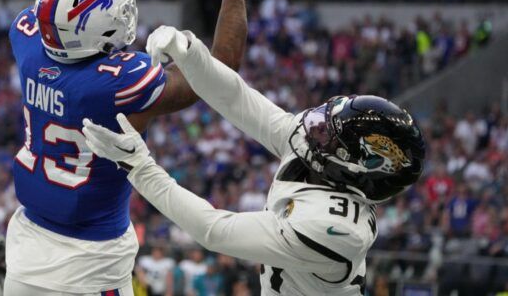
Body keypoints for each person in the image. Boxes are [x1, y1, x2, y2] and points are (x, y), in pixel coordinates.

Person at [4, 0, 252, 294]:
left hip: (26, 244)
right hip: (90, 259)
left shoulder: (29, 42)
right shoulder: (114, 84)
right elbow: (221, 70)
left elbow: (79, 1)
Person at [81, 26, 426, 295]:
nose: (315, 129)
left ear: (357, 168)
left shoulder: (337, 229)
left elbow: (213, 230)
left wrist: (140, 168)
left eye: (331, 138)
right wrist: (189, 53)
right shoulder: (319, 156)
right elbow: (237, 98)